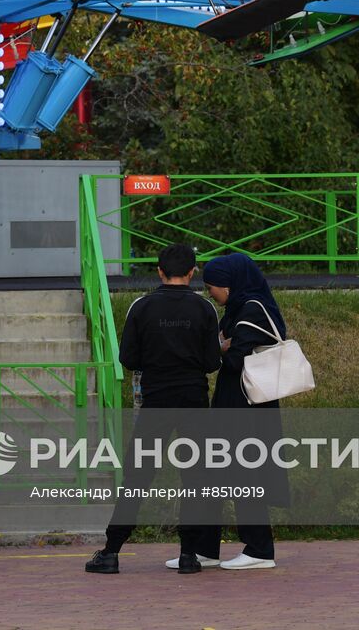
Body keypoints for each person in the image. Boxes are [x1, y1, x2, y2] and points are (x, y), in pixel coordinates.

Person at [86, 243, 221, 575]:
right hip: (193, 401)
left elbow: (129, 358)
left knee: (138, 476)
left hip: (156, 401)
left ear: (159, 271)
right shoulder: (204, 309)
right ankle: (189, 554)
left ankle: (111, 551)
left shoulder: (141, 307)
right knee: (194, 477)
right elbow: (211, 362)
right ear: (193, 272)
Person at [185, 251, 289, 571]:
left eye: (212, 286)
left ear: (229, 286)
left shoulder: (252, 310)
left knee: (245, 473)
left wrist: (223, 347)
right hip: (233, 404)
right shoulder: (237, 309)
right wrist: (223, 345)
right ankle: (205, 549)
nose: (209, 292)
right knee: (214, 473)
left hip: (247, 409)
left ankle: (259, 549)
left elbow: (232, 359)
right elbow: (222, 349)